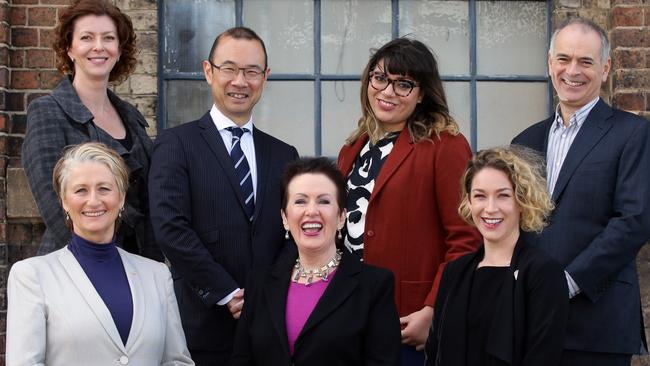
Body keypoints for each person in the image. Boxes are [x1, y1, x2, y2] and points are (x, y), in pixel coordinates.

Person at [148, 27, 299, 365]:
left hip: (270, 328)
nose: (240, 81)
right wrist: (228, 294)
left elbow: (295, 231)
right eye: (229, 68)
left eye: (251, 71)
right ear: (208, 71)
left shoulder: (284, 154)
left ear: (265, 76)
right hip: (202, 327)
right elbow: (170, 228)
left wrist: (266, 294)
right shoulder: (176, 144)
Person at [512, 17, 650, 366]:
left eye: (585, 61)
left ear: (605, 69)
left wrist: (568, 282)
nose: (573, 70)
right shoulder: (524, 141)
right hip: (530, 322)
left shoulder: (632, 134)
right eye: (564, 59)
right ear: (549, 64)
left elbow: (634, 220)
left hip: (597, 322)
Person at [337, 37, 481, 364]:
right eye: (380, 78)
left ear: (422, 94)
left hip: (408, 322)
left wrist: (434, 308)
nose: (387, 92)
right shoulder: (354, 147)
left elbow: (466, 238)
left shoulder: (445, 145)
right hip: (351, 316)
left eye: (403, 84)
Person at [6, 142, 193, 366]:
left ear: (121, 197)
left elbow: (177, 362)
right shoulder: (32, 276)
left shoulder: (157, 275)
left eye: (104, 188)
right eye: (80, 190)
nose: (94, 200)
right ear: (64, 201)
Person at [21, 0, 162, 261]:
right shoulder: (48, 112)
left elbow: (151, 204)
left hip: (138, 267)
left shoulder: (132, 119)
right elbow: (53, 205)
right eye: (87, 37)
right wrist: (104, 264)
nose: (99, 46)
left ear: (119, 50)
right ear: (69, 48)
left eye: (108, 38)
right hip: (77, 267)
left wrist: (150, 268)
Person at [231, 157, 401, 366]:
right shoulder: (259, 282)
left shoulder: (375, 285)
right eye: (300, 201)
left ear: (341, 217)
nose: (311, 211)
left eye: (324, 201)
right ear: (284, 217)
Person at [425, 147, 569, 366]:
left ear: (522, 201)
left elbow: (543, 357)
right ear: (469, 202)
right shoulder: (454, 272)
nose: (490, 208)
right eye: (480, 196)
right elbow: (434, 353)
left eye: (503, 196)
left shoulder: (543, 273)